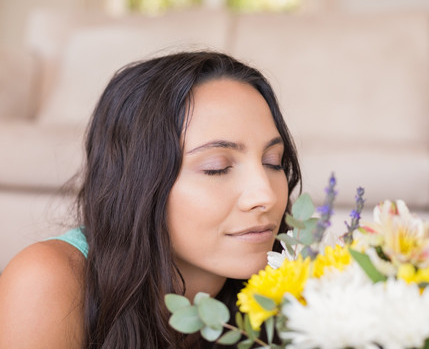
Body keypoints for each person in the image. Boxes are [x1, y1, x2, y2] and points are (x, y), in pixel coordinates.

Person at [0, 51, 301, 348]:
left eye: (273, 161)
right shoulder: (46, 281)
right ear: (137, 182)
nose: (265, 195)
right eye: (217, 168)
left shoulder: (299, 286)